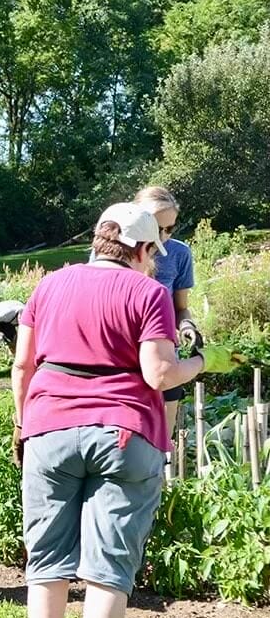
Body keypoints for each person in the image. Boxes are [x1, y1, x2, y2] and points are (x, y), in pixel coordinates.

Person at [11, 203, 240, 618]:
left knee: (47, 558)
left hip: (49, 425)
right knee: (108, 564)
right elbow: (158, 373)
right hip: (123, 430)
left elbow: (22, 366)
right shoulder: (148, 292)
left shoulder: (49, 284)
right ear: (139, 249)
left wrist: (22, 424)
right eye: (152, 251)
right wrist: (203, 362)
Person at [133, 186, 198, 443]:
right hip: (124, 352)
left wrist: (187, 326)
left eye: (169, 229)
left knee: (162, 439)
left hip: (164, 351)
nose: (162, 236)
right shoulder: (116, 251)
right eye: (155, 228)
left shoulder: (179, 253)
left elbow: (181, 307)